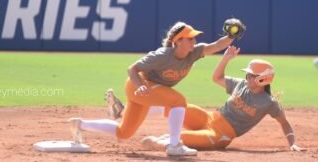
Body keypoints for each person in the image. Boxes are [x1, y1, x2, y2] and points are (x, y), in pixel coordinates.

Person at [68, 19, 245, 156]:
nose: (194, 41)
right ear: (177, 41)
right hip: (139, 86)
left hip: (149, 92)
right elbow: (133, 69)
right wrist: (139, 86)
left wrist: (231, 36)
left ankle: (80, 124)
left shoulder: (193, 53)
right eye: (190, 38)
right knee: (178, 101)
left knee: (124, 132)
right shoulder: (162, 55)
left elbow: (216, 46)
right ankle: (174, 145)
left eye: (194, 38)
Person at [109, 46, 306, 152]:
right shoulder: (241, 85)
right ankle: (125, 111)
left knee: (177, 138)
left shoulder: (269, 104)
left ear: (264, 79)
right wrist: (225, 59)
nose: (248, 77)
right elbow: (216, 78)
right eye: (248, 74)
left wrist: (292, 143)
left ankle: (163, 142)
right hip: (208, 118)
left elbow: (285, 123)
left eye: (253, 75)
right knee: (178, 106)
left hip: (222, 135)